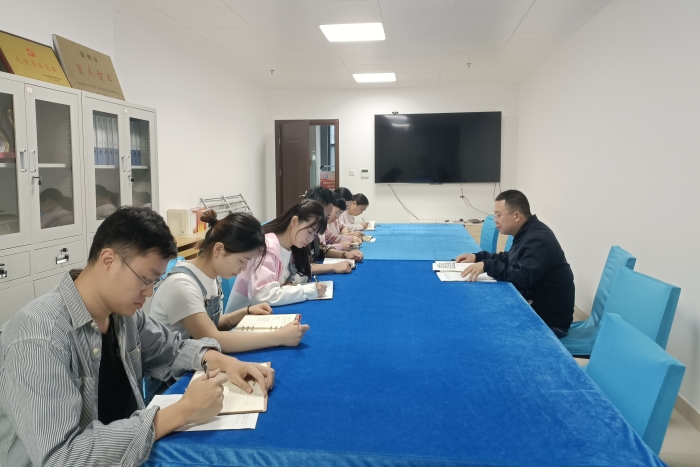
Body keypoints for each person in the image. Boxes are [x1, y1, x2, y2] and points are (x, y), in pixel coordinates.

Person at [0, 207, 274, 466]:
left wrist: (225, 362)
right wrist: (181, 412)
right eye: (145, 279)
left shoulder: (123, 315)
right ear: (109, 261)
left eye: (154, 281)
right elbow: (62, 458)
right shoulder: (38, 339)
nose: (149, 292)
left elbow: (172, 350)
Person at [149, 209, 309, 354]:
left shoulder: (211, 276)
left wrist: (246, 312)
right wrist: (279, 337)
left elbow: (211, 323)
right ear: (219, 249)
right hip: (171, 374)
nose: (244, 269)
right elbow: (212, 338)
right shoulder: (181, 285)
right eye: (242, 261)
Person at [456, 190, 575, 337]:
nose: (495, 220)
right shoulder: (527, 232)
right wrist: (477, 257)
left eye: (498, 215)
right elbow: (510, 258)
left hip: (549, 322)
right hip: (533, 307)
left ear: (516, 216)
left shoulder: (538, 239)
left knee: (482, 324)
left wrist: (487, 265)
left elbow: (522, 278)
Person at [225, 199, 328, 311]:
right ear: (294, 221)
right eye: (309, 232)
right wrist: (308, 290)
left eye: (315, 235)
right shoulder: (268, 247)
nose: (310, 239)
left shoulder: (292, 247)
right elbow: (261, 296)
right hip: (243, 318)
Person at [303, 186, 363, 274]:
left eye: (327, 217)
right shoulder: (299, 237)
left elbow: (321, 249)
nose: (325, 221)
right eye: (324, 216)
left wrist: (345, 254)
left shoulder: (314, 231)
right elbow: (301, 268)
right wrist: (333, 267)